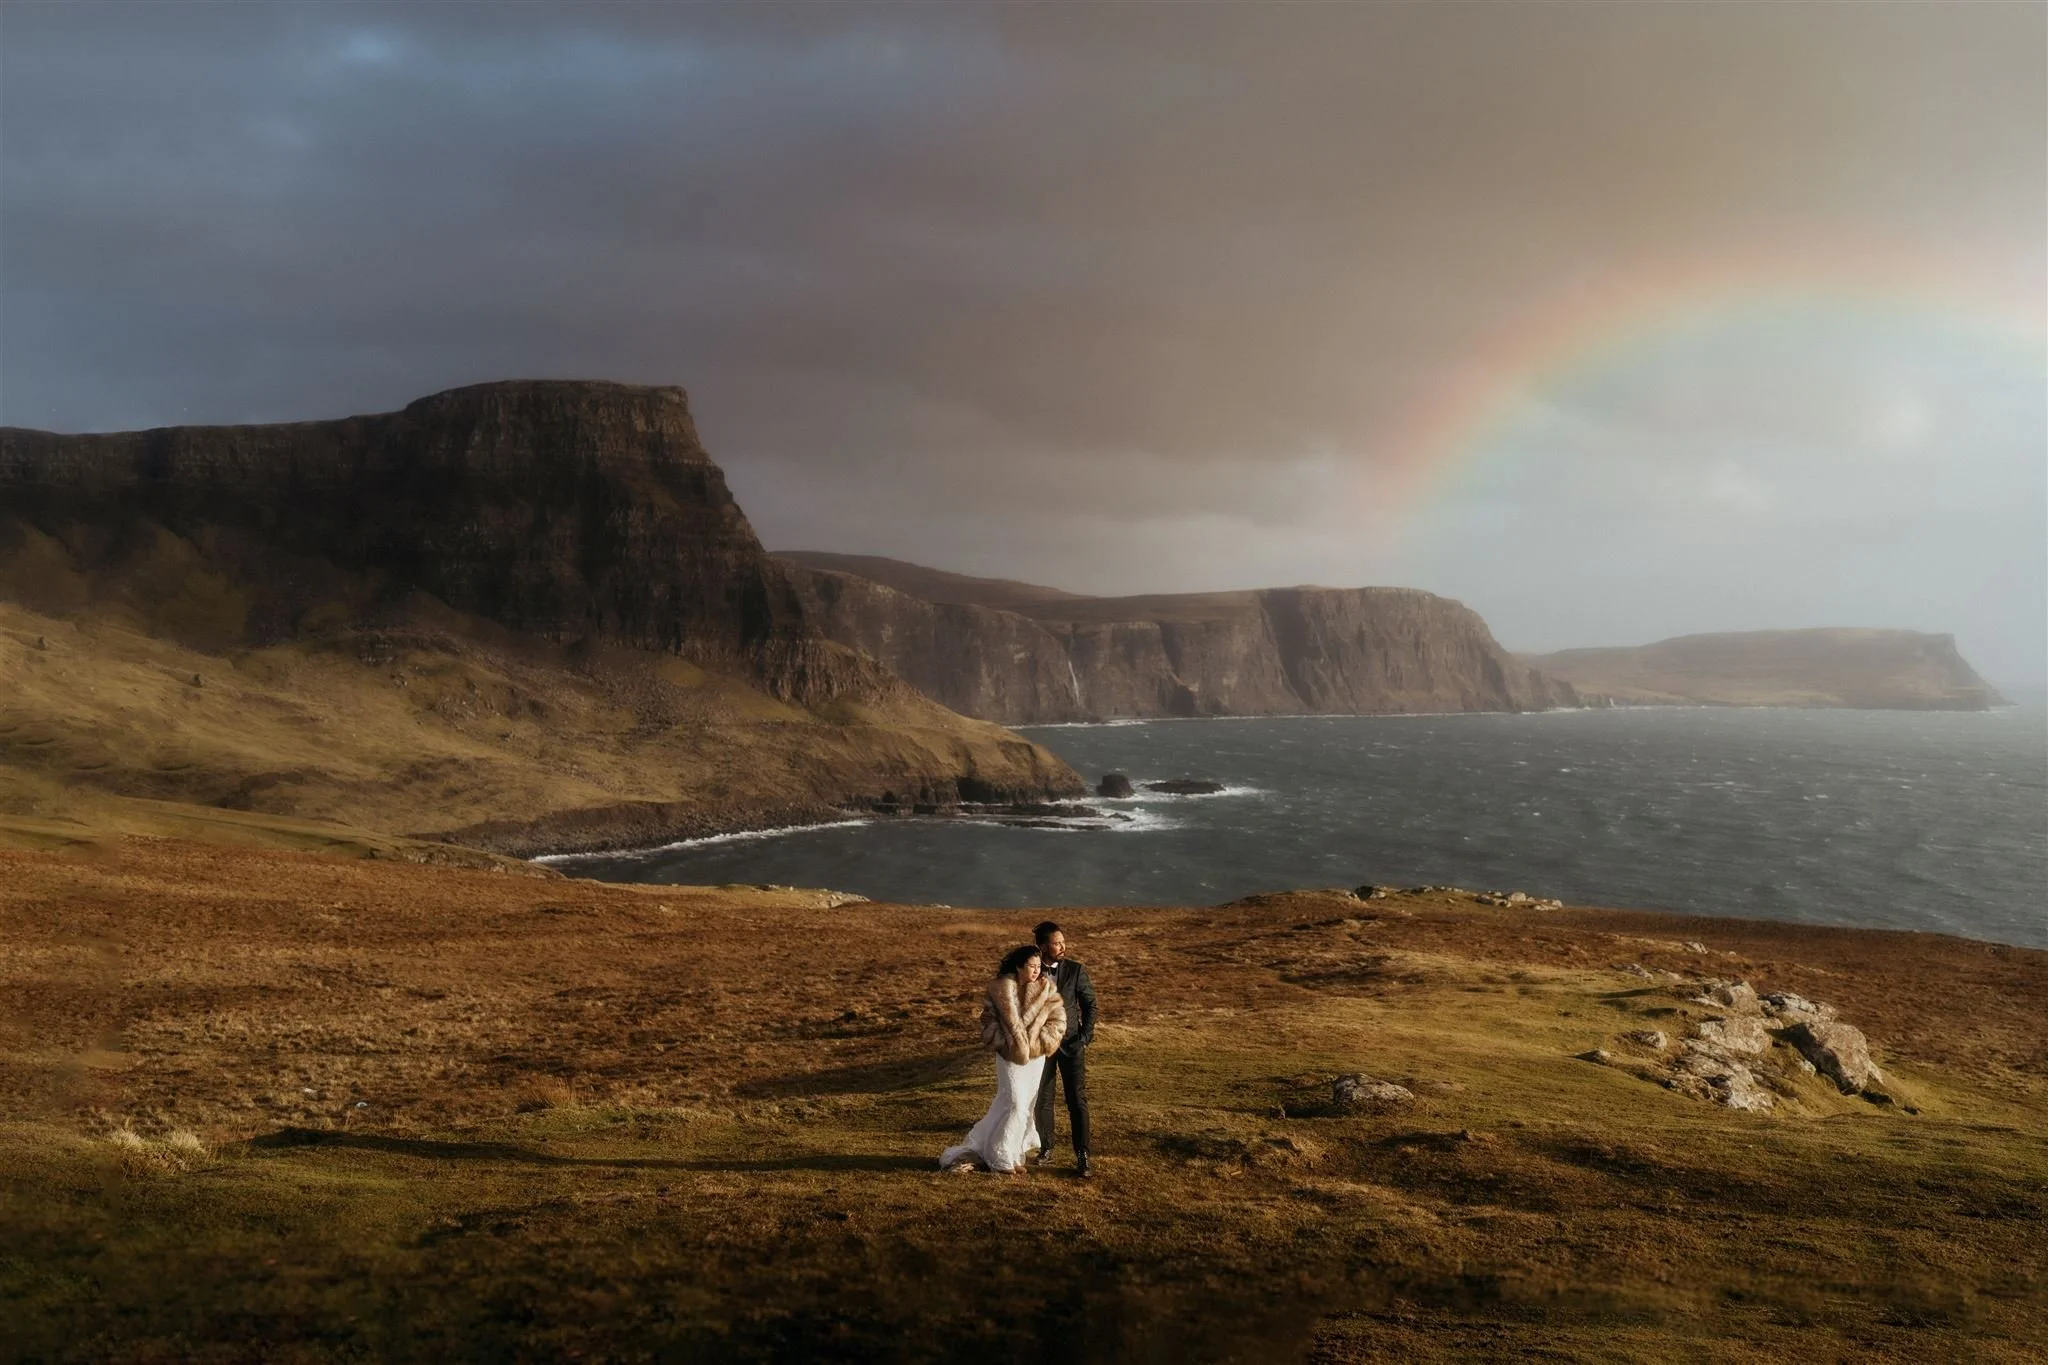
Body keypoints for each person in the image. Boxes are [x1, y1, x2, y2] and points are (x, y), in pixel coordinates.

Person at [940, 943, 1067, 1173]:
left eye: (1039, 966)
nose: (1037, 970)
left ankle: (1013, 1153)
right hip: (1010, 1058)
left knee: (1025, 1105)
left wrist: (1043, 1042)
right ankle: (999, 1157)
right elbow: (987, 1021)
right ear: (1019, 966)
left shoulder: (1046, 989)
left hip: (1035, 1058)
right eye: (1032, 966)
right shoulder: (1001, 989)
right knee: (1014, 1102)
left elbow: (1058, 1020)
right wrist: (1004, 1043)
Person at [1032, 920, 1097, 1178]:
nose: (1063, 946)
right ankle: (1046, 1148)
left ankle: (1083, 1155)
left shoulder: (1076, 970)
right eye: (1057, 943)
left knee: (1077, 1101)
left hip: (1072, 1044)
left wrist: (1084, 1037)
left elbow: (1090, 1005)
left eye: (1063, 941)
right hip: (1041, 1046)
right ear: (1042, 946)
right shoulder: (1032, 971)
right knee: (1043, 1100)